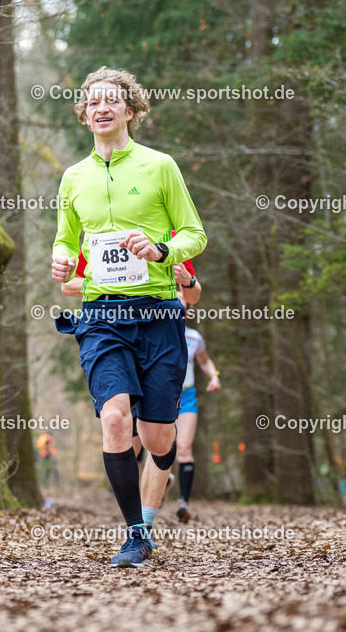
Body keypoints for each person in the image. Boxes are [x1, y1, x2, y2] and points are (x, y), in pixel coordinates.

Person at [51, 66, 207, 567]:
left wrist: (162, 250)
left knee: (159, 438)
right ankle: (136, 533)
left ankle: (159, 473)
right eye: (92, 101)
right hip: (101, 314)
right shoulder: (73, 178)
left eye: (111, 101)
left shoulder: (160, 167)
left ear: (130, 111)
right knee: (116, 419)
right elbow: (65, 238)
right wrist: (59, 257)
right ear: (84, 114)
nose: (100, 108)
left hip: (159, 315)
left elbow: (194, 234)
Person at [175, 322, 220, 522]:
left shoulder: (194, 337)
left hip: (187, 396)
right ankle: (156, 490)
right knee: (161, 447)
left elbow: (204, 360)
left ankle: (183, 503)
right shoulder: (155, 327)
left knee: (184, 446)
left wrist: (214, 376)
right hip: (161, 395)